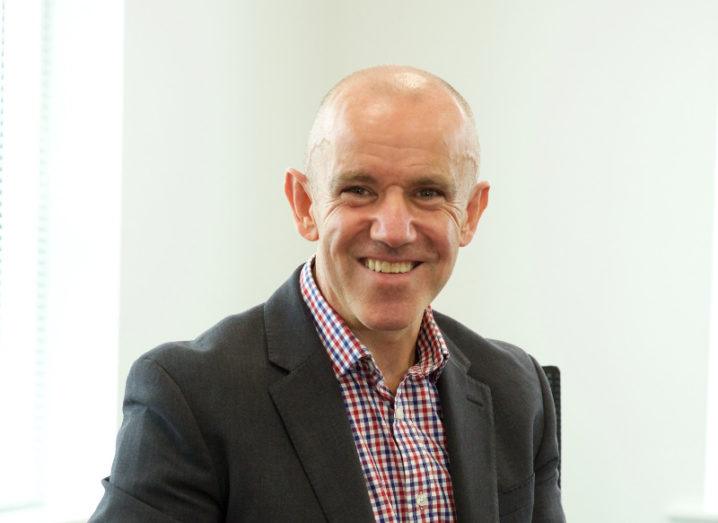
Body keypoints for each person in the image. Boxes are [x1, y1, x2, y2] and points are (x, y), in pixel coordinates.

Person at [90, 65, 565, 522]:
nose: (394, 230)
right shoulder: (188, 396)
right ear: (304, 205)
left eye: (428, 193)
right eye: (358, 189)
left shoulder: (517, 390)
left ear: (472, 213)